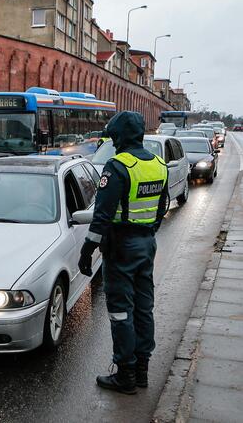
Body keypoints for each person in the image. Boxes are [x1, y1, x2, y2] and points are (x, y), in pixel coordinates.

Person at [78, 111, 168, 395]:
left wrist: (87, 249)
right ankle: (142, 369)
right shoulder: (159, 165)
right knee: (144, 308)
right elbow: (161, 208)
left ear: (119, 136)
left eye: (114, 136)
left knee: (120, 312)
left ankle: (125, 374)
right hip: (146, 244)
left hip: (121, 248)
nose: (113, 142)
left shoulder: (117, 167)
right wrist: (147, 231)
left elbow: (101, 217)